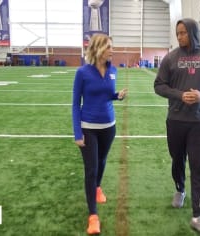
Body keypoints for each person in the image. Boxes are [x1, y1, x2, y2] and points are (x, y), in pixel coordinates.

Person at [153, 18, 200, 232]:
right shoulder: (170, 58)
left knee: (198, 166)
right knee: (177, 160)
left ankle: (198, 215)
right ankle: (179, 189)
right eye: (178, 33)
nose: (180, 36)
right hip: (175, 121)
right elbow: (159, 85)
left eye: (183, 32)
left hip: (199, 124)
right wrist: (179, 95)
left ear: (193, 33)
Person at [72, 33, 127, 235]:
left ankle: (97, 189)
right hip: (88, 128)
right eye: (110, 46)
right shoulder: (82, 73)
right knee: (91, 169)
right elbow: (75, 104)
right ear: (98, 48)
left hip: (109, 127)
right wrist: (77, 132)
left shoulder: (113, 70)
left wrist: (116, 96)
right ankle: (93, 216)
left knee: (102, 161)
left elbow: (107, 94)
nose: (113, 50)